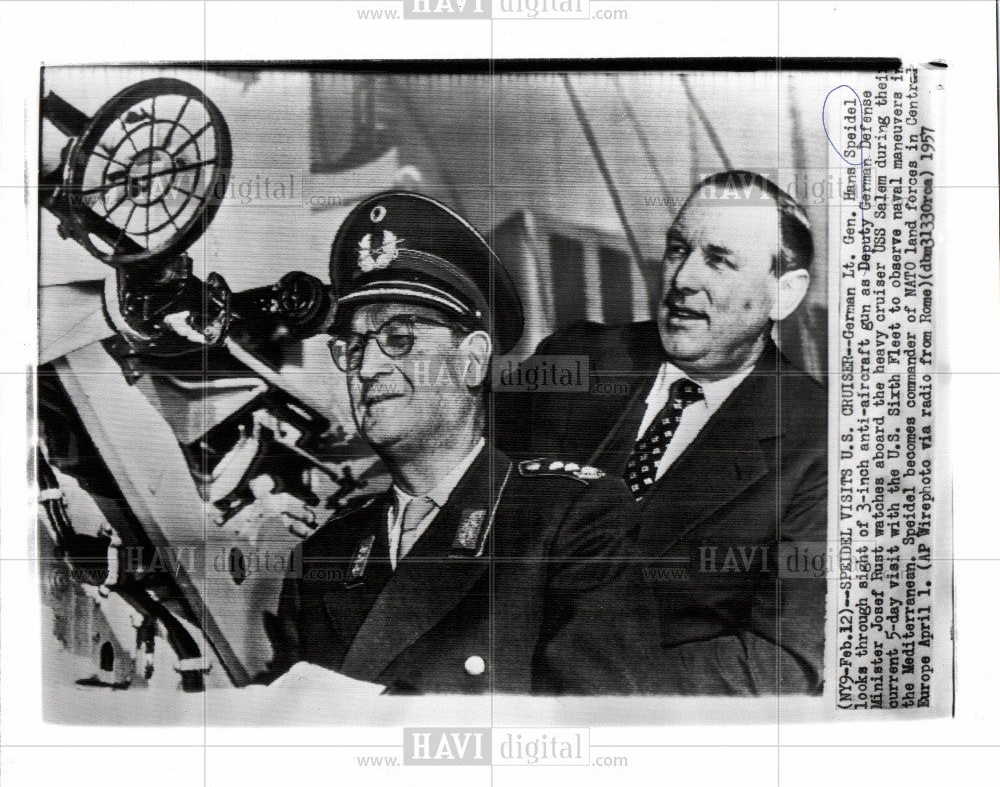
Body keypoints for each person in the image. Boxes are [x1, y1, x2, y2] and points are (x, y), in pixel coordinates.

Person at [262, 191, 656, 694]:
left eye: (399, 338)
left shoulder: (568, 520)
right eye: (353, 346)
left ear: (472, 361)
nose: (366, 367)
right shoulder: (324, 553)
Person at [496, 171, 828, 695]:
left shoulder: (820, 444)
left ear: (783, 294)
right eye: (678, 249)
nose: (682, 280)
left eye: (718, 259)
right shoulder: (575, 359)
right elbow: (461, 490)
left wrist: (583, 693)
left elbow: (783, 658)